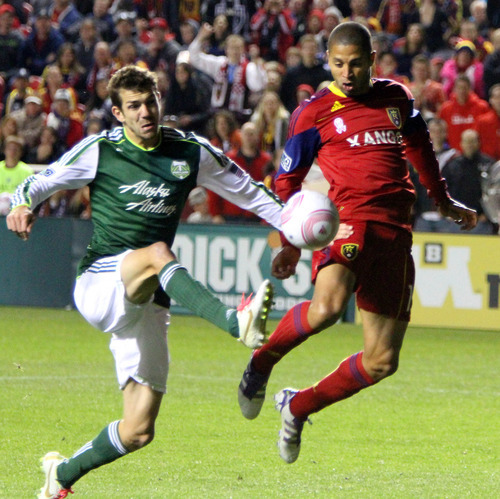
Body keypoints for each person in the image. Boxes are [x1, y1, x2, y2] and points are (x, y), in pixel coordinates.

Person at [6, 65, 281, 498]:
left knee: (138, 430)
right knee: (158, 253)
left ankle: (60, 477)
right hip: (100, 284)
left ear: (159, 101)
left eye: (150, 101)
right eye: (133, 106)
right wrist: (22, 205)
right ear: (118, 113)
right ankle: (235, 322)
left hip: (148, 302)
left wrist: (297, 225)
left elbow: (248, 191)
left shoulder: (189, 151)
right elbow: (41, 181)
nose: (145, 112)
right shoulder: (101, 149)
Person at [237, 22, 478, 465]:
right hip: (349, 223)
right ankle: (261, 363)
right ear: (329, 62)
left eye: (355, 64)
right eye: (337, 64)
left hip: (396, 234)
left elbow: (421, 148)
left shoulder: (397, 98)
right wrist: (290, 241)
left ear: (372, 61)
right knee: (327, 308)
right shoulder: (313, 112)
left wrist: (443, 202)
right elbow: (287, 180)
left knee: (382, 361)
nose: (346, 73)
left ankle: (297, 407)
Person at [474, 84, 500, 161]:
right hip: (488, 164)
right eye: (497, 97)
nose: (499, 100)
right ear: (491, 100)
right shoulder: (482, 121)